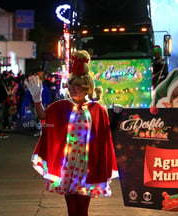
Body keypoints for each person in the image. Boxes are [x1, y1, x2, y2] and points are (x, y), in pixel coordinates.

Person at [25, 50, 118, 216]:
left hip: (87, 166)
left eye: (77, 86)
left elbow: (106, 136)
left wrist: (118, 117)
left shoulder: (97, 110)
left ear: (87, 88)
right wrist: (37, 100)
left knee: (82, 208)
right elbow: (43, 117)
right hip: (67, 165)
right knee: (71, 207)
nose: (73, 89)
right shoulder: (61, 106)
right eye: (71, 85)